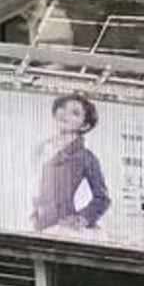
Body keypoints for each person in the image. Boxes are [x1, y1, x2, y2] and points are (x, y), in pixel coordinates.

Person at [32, 94, 111, 232]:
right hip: (35, 222)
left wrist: (81, 218)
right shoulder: (41, 147)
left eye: (75, 113)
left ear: (85, 125)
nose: (65, 114)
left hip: (60, 226)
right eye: (62, 108)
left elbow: (102, 199)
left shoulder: (85, 157)